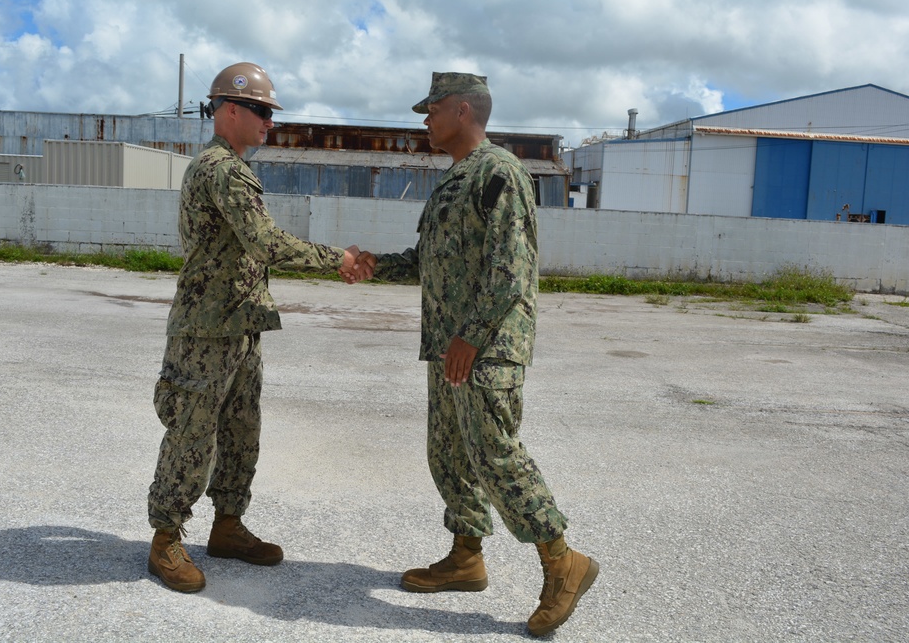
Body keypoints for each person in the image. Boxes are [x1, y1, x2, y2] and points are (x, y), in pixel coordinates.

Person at [360, 72, 599, 637]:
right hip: (450, 346)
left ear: (463, 111)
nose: (425, 120)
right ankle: (466, 556)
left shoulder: (500, 172)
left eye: (433, 110)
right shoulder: (454, 180)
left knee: (495, 454)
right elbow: (426, 261)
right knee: (448, 453)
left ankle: (563, 561)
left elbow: (511, 268)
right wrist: (370, 264)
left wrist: (470, 336)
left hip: (487, 346)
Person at [147, 61, 372, 593]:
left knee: (242, 431)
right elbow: (266, 242)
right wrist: (337, 258)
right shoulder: (222, 169)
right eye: (262, 111)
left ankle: (227, 527)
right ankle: (165, 540)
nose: (270, 121)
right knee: (192, 435)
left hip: (239, 324)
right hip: (206, 331)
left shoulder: (234, 167)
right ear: (230, 110)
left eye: (270, 112)